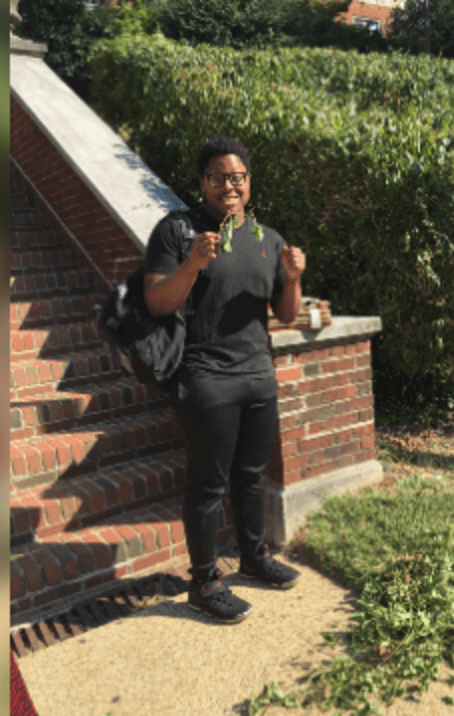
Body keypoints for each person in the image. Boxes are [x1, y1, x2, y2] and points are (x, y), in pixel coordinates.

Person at [143, 136, 305, 623]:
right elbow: (157, 302)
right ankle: (205, 581)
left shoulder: (267, 240)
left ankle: (254, 558)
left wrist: (293, 278)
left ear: (248, 183)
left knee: (252, 477)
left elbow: (286, 315)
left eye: (237, 178)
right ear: (202, 183)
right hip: (206, 378)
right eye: (217, 178)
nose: (228, 186)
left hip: (258, 376)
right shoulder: (177, 231)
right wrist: (192, 263)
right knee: (208, 483)